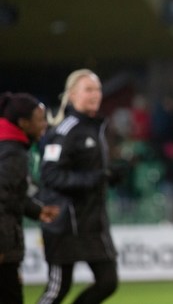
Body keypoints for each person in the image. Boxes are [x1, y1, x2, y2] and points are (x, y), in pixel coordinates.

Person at [36, 69, 120, 304]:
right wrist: (95, 178)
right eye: (88, 89)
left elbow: (92, 174)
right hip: (65, 223)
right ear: (72, 94)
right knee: (58, 290)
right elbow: (50, 175)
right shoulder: (65, 130)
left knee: (107, 282)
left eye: (98, 89)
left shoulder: (95, 127)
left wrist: (110, 177)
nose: (95, 94)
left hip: (93, 222)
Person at [0, 92, 59, 304]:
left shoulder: (7, 147)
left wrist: (36, 210)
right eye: (40, 119)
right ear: (23, 123)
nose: (44, 124)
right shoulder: (13, 153)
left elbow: (11, 194)